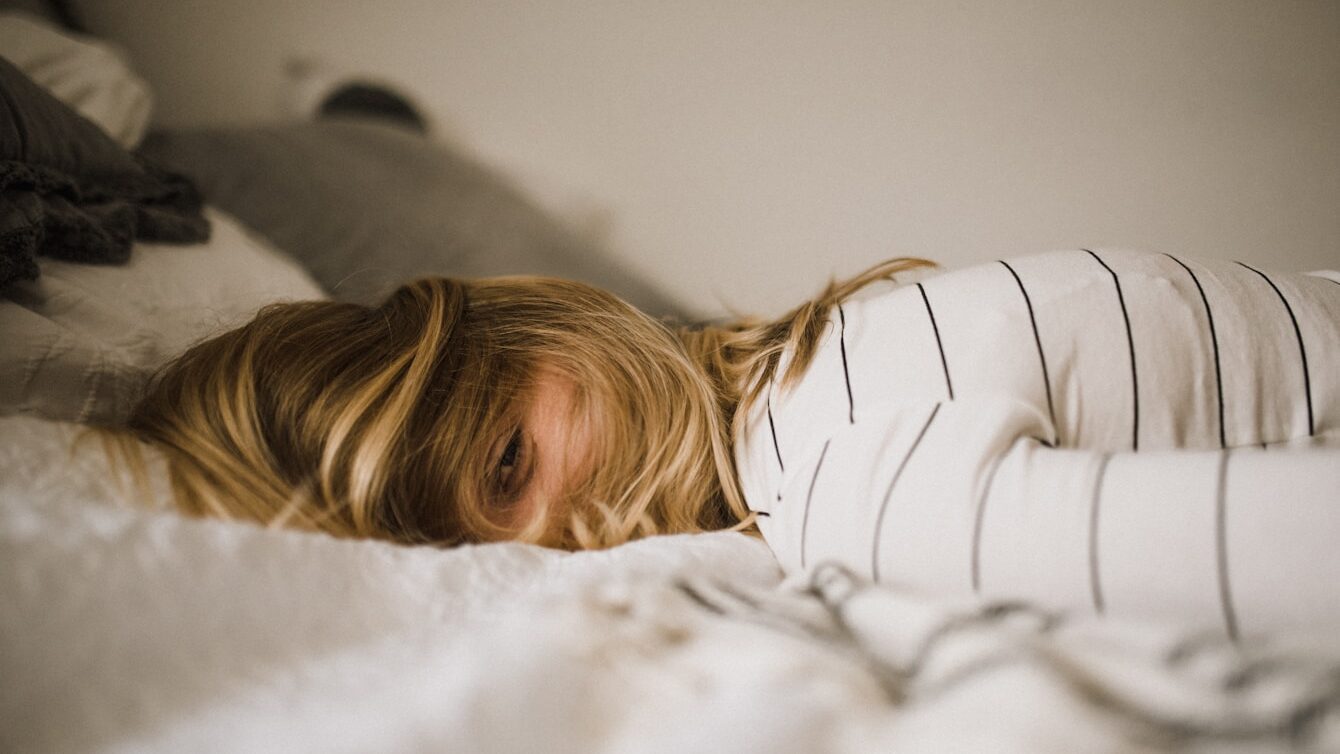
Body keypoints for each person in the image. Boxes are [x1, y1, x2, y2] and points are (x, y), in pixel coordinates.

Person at [120, 249, 1339, 632]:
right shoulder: (821, 362)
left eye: (507, 465)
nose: (556, 544)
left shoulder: (850, 483)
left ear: (546, 321)